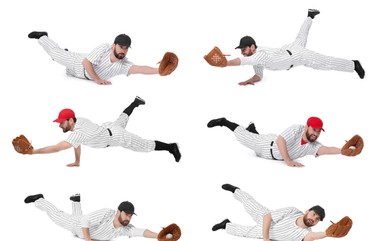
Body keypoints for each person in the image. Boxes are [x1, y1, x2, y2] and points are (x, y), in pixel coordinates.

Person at [224, 9, 365, 85]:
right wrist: (250, 80)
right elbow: (259, 75)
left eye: (244, 49)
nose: (242, 52)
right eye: (241, 50)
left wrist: (225, 63)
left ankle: (354, 65)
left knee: (325, 63)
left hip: (298, 56)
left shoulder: (258, 55)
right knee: (301, 36)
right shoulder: (256, 57)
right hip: (290, 49)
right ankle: (310, 16)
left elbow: (243, 61)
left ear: (253, 46)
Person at [30, 96, 181, 165]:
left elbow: (57, 148)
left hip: (116, 137)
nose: (59, 125)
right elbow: (76, 143)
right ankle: (135, 102)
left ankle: (171, 147)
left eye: (61, 123)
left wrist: (34, 151)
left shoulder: (77, 134)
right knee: (122, 119)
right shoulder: (79, 121)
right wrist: (77, 161)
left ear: (70, 120)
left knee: (145, 145)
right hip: (108, 129)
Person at [28, 31, 169, 85]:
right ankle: (42, 37)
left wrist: (159, 71)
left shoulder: (123, 64)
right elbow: (86, 62)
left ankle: (66, 53)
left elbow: (139, 68)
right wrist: (97, 79)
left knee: (65, 69)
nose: (123, 51)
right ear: (114, 45)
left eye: (126, 48)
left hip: (79, 75)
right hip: (79, 63)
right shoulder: (104, 48)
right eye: (121, 46)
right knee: (55, 55)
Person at [212, 184, 329, 241]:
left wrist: (328, 234)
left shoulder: (306, 233)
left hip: (265, 232)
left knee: (243, 232)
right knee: (249, 204)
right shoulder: (293, 211)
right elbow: (268, 216)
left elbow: (312, 237)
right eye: (313, 214)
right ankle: (236, 190)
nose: (313, 219)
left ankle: (225, 225)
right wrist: (266, 239)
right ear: (307, 211)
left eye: (317, 219)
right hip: (266, 217)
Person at [24, 193, 161, 241]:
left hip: (80, 227)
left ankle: (75, 201)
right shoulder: (107, 213)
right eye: (127, 214)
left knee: (79, 217)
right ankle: (39, 200)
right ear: (118, 211)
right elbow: (84, 222)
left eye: (131, 215)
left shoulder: (124, 229)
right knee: (56, 215)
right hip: (76, 226)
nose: (129, 218)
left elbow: (141, 232)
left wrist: (160, 235)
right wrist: (88, 240)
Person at [207, 116, 341, 167]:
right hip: (267, 145)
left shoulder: (313, 145)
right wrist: (288, 161)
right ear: (307, 126)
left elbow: (327, 149)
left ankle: (252, 130)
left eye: (318, 131)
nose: (316, 133)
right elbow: (280, 140)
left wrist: (343, 151)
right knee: (243, 137)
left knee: (254, 149)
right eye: (314, 129)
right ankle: (224, 122)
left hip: (269, 156)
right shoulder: (297, 129)